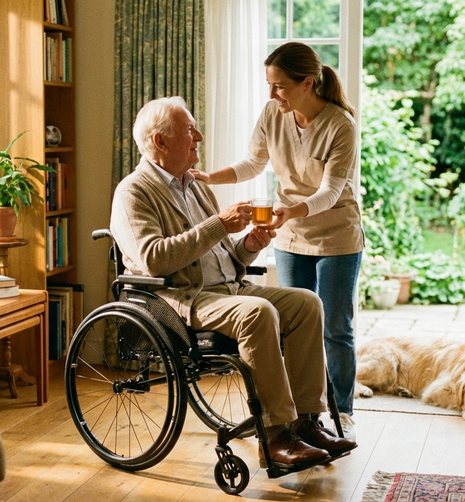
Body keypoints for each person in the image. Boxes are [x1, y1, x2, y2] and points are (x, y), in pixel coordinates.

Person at [110, 96, 356, 470]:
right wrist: (220, 225)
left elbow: (222, 256)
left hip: (228, 290)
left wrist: (248, 247)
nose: (199, 136)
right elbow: (154, 258)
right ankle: (274, 436)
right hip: (181, 298)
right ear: (160, 142)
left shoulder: (193, 186)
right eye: (190, 129)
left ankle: (306, 421)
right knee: (257, 312)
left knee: (307, 303)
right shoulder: (134, 191)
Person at [191, 42, 365, 439]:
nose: (272, 95)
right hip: (290, 233)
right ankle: (304, 414)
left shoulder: (340, 125)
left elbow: (332, 191)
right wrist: (208, 178)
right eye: (269, 86)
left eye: (280, 87)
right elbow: (254, 162)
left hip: (337, 234)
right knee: (295, 324)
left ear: (307, 83)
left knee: (335, 326)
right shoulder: (274, 112)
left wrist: (294, 210)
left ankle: (344, 412)